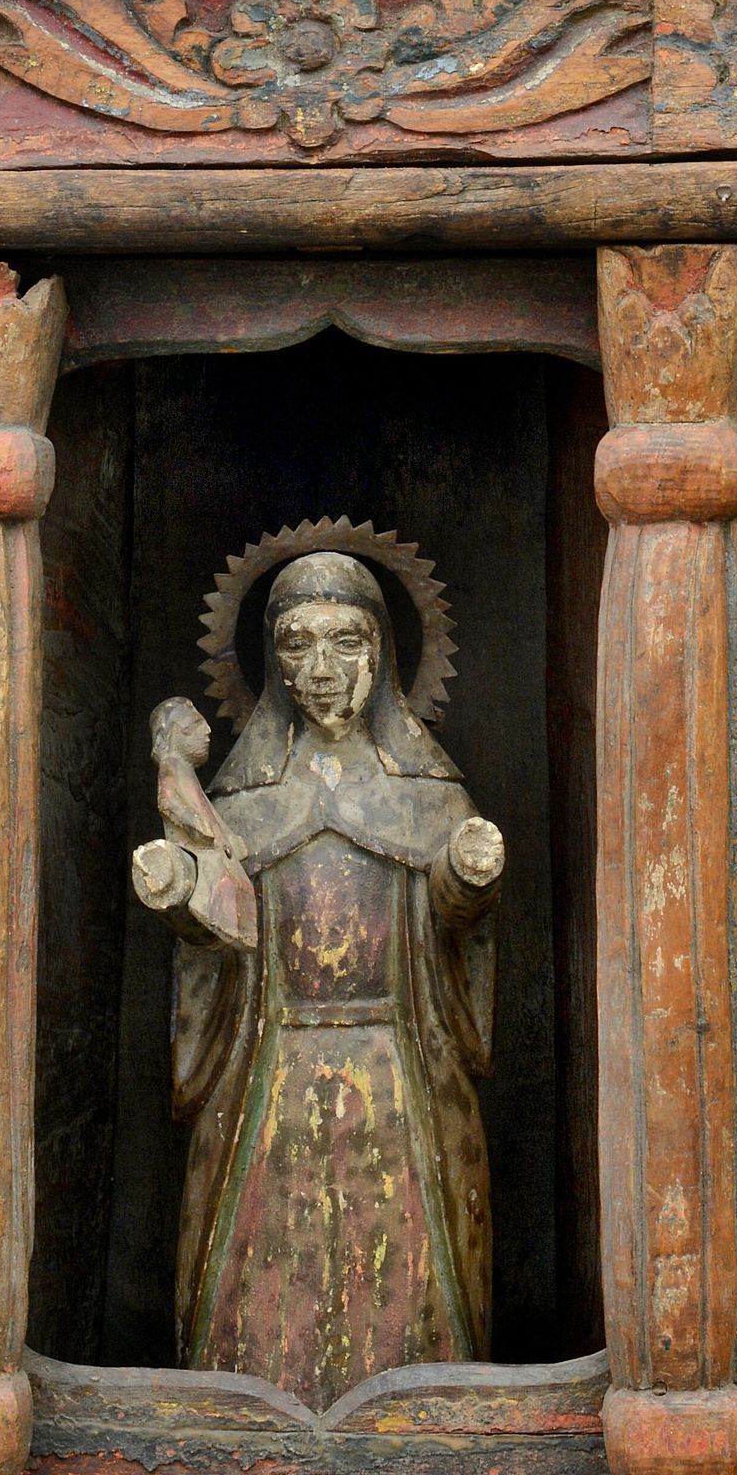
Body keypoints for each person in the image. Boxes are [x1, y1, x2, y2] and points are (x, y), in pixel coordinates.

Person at [132, 549, 502, 1410]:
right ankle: (249, 1408)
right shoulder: (245, 801)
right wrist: (181, 890)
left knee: (409, 1252)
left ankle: (415, 1411)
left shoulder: (429, 795)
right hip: (269, 1071)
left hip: (401, 1072)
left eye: (345, 642)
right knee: (262, 1264)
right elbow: (218, 930)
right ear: (272, 661)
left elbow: (456, 924)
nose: (322, 668)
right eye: (297, 645)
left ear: (383, 655)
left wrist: (465, 875)